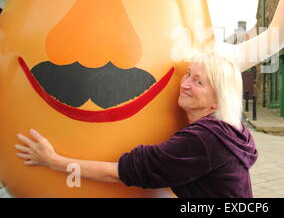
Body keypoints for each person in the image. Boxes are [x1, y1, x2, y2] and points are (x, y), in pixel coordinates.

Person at [15, 53, 258, 198]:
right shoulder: (231, 129)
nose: (184, 84)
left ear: (217, 101)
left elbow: (120, 173)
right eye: (188, 74)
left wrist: (53, 161)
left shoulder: (205, 139)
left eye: (198, 82)